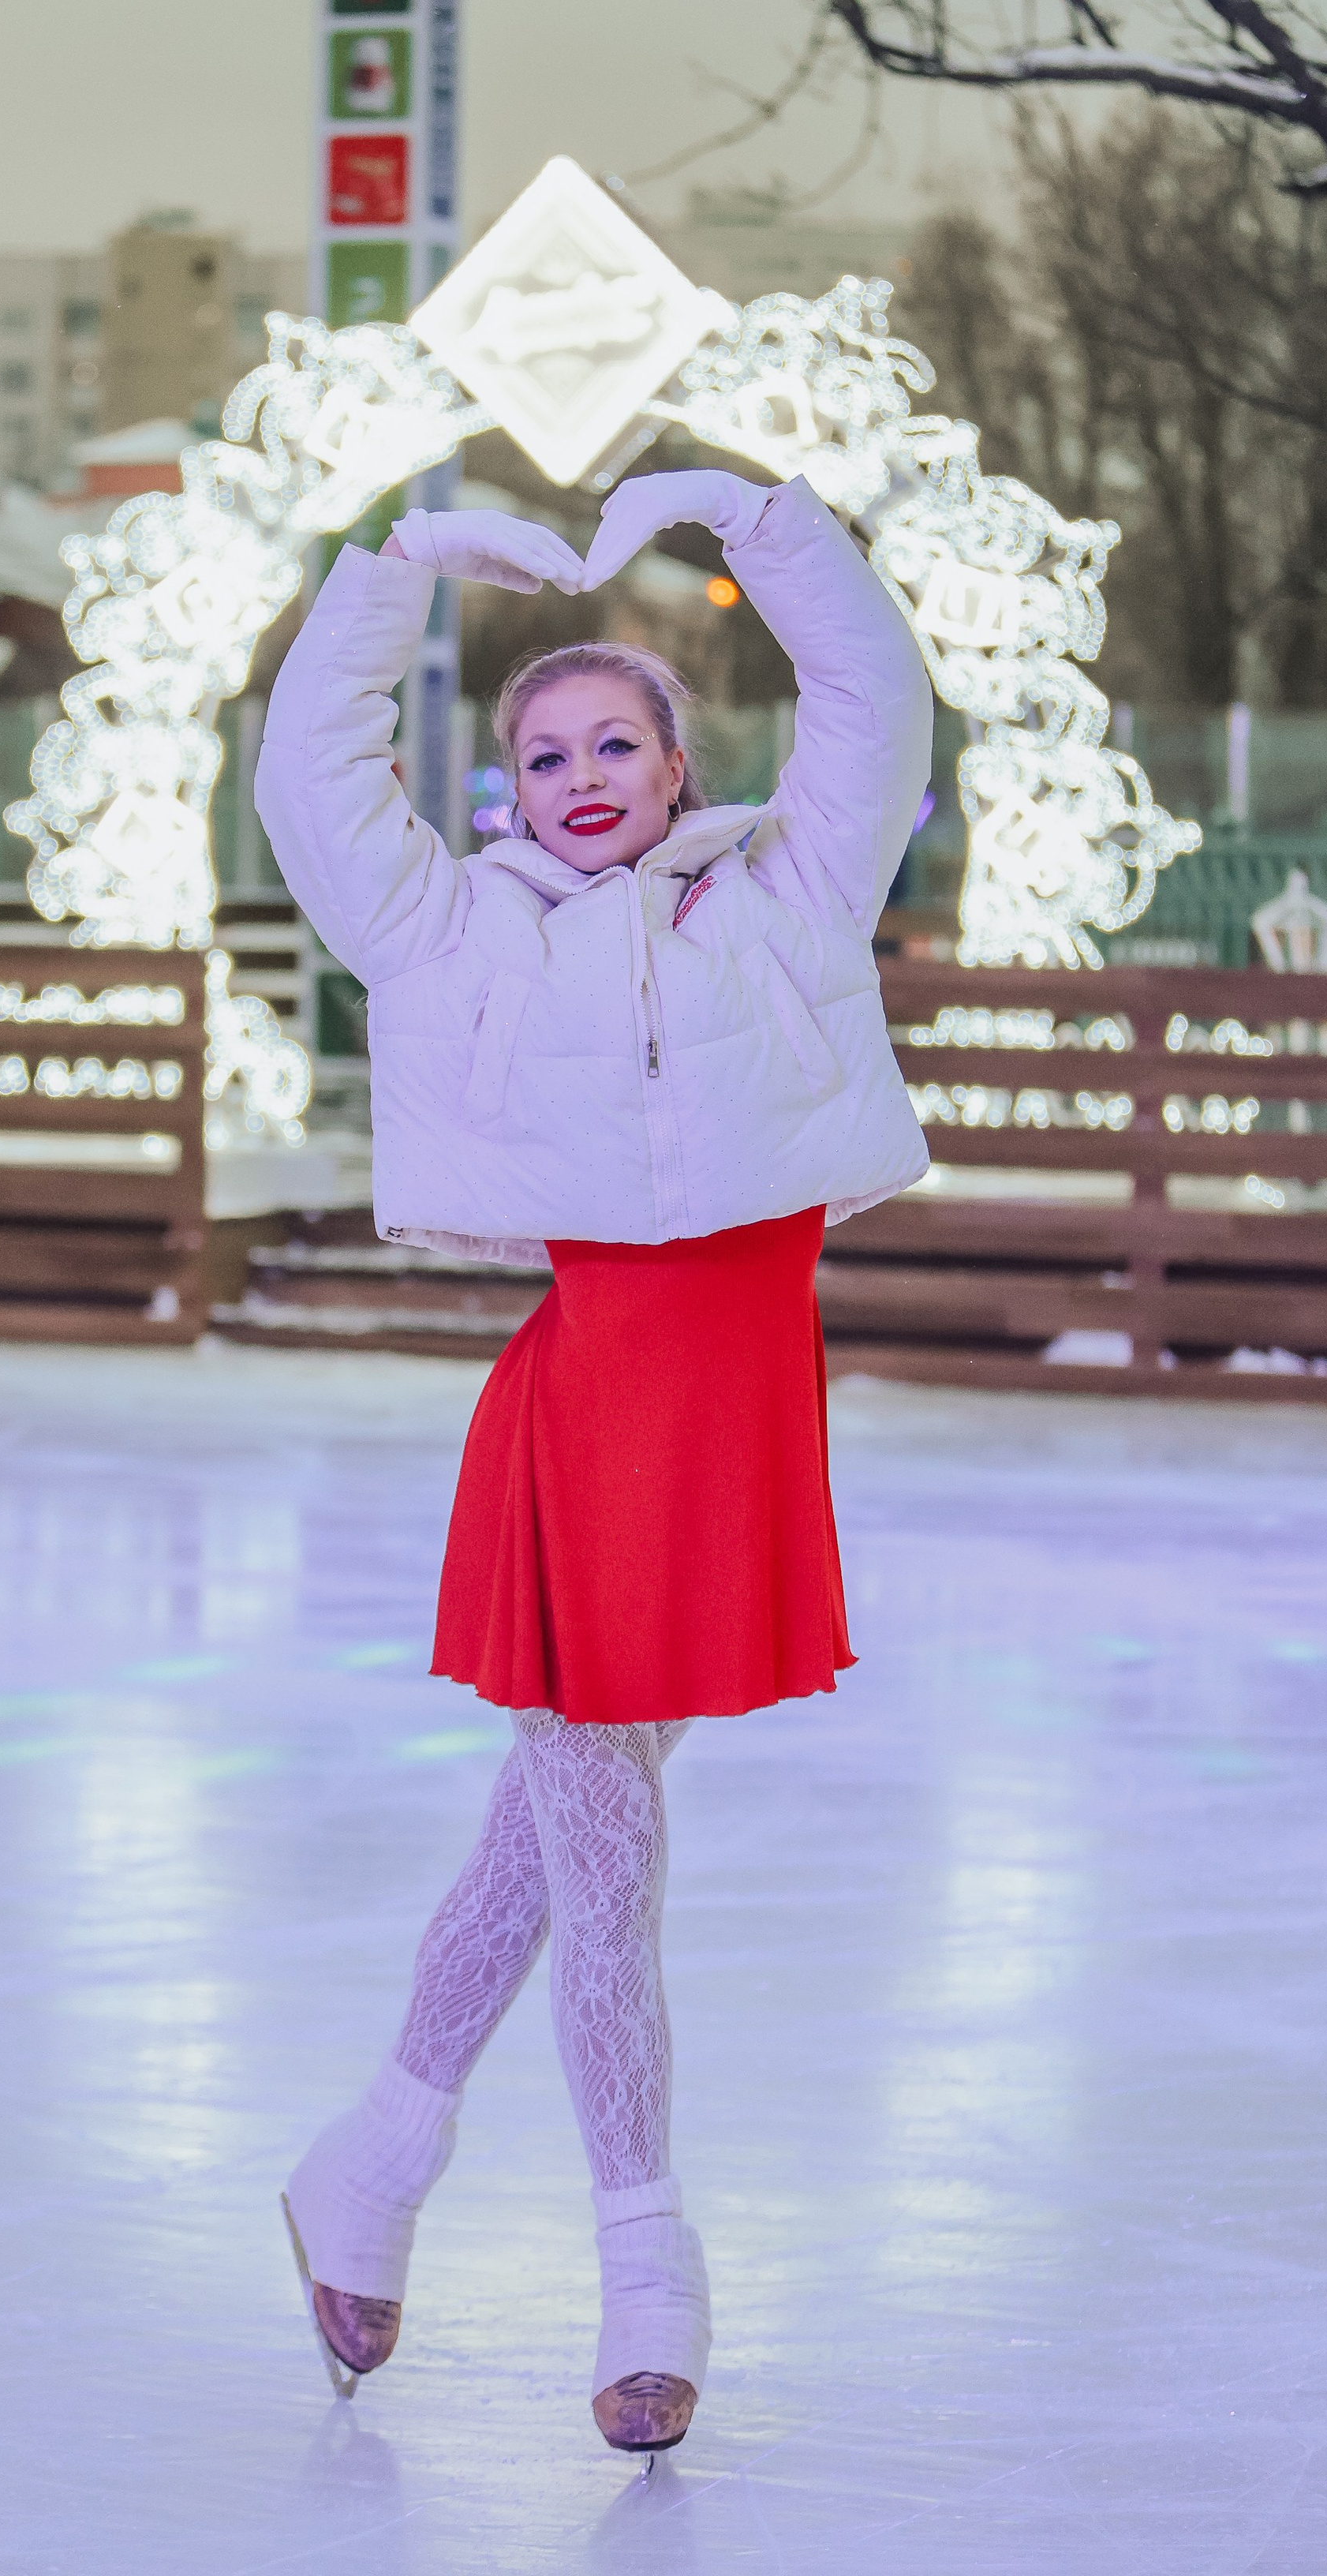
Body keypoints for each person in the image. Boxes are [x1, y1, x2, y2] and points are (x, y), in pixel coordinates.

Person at [254, 466, 933, 2454]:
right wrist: (392, 580)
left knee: (540, 1849)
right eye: (539, 750)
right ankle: (645, 2260)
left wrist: (759, 524)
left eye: (612, 738)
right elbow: (316, 786)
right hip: (582, 1432)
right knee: (607, 1866)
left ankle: (369, 2165)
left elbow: (875, 705)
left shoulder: (791, 889)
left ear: (672, 756)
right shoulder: (457, 939)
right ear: (506, 787)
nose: (576, 773)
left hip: (732, 1428)